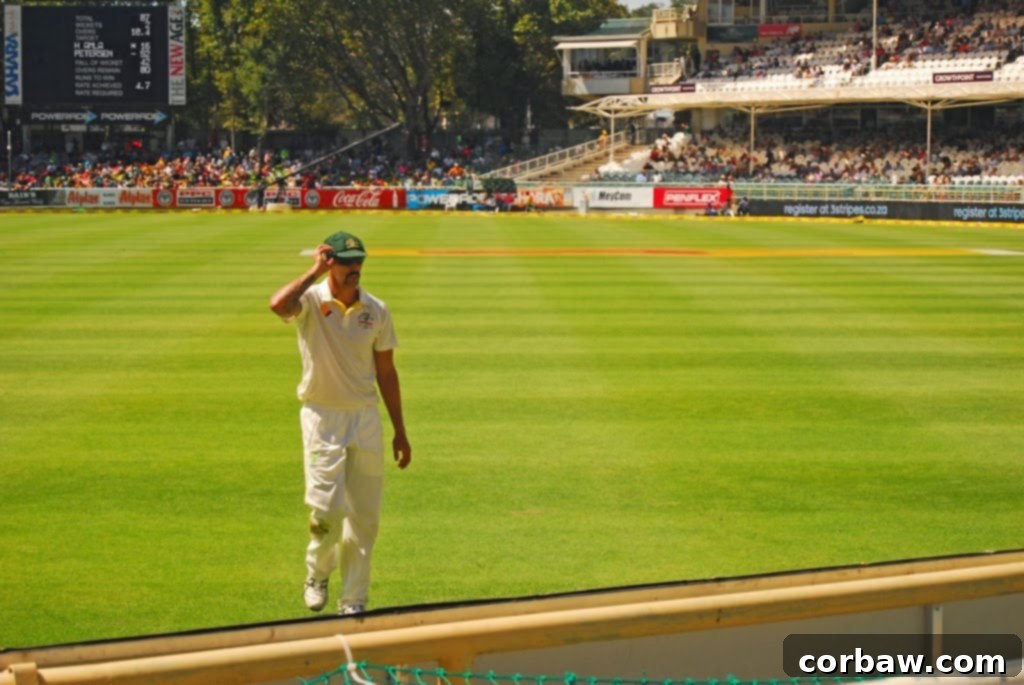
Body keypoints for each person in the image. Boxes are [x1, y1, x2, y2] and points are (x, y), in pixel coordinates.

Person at [269, 230, 412, 616]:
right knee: (327, 512)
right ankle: (317, 572)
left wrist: (400, 430)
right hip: (322, 418)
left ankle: (354, 599)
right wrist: (314, 270)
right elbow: (278, 305)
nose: (355, 268)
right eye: (347, 261)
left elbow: (387, 372)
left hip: (365, 420)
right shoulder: (311, 302)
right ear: (330, 262)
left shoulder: (376, 310)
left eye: (359, 261)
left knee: (365, 517)